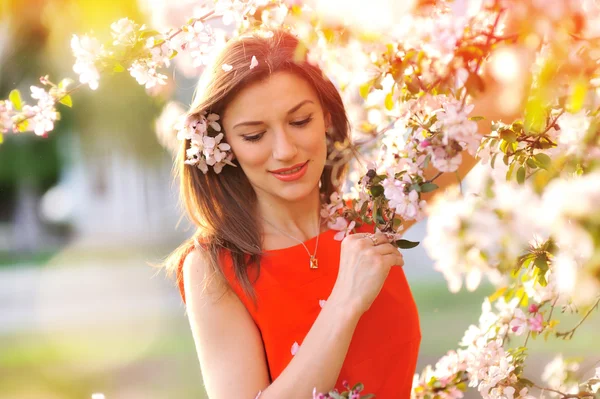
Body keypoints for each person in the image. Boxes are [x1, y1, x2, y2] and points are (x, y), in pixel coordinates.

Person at [162, 28, 519, 399]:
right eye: (254, 135)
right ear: (223, 147)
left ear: (327, 118)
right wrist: (345, 301)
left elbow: (495, 107)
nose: (284, 150)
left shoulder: (374, 215)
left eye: (300, 121)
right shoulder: (214, 266)